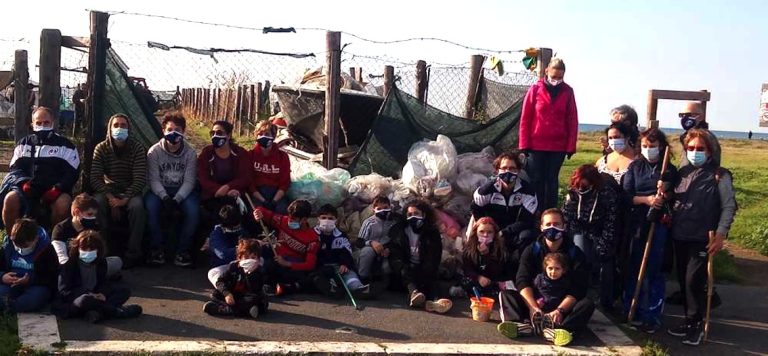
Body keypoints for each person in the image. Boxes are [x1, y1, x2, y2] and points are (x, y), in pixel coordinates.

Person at [667, 128, 737, 346]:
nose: (695, 152)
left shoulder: (719, 175)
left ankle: (696, 324)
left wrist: (721, 233)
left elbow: (728, 206)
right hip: (680, 234)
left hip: (703, 237)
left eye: (700, 149)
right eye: (691, 148)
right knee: (682, 279)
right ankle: (689, 321)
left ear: (710, 151)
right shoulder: (682, 173)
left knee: (693, 280)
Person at [497, 209, 594, 345]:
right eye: (548, 224)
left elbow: (579, 287)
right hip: (536, 303)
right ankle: (520, 325)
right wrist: (533, 307)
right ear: (541, 227)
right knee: (506, 295)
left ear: (564, 226)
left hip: (561, 306)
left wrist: (559, 310)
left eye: (556, 224)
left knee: (587, 304)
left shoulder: (575, 253)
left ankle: (560, 330)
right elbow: (522, 280)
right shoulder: (531, 250)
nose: (552, 228)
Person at [621, 128, 679, 333]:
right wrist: (646, 199)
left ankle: (652, 316)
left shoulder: (669, 170)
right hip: (638, 222)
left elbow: (675, 195)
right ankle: (631, 309)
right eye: (645, 146)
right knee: (634, 266)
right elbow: (627, 196)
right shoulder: (635, 167)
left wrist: (665, 193)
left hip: (659, 225)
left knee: (655, 270)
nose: (648, 149)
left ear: (661, 147)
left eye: (652, 146)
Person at [1, 107, 80, 234]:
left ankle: (53, 241)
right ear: (32, 124)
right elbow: (15, 170)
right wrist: (23, 183)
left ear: (53, 122)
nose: (42, 125)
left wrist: (58, 189)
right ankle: (13, 241)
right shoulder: (23, 144)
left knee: (63, 204)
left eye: (46, 122)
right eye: (38, 123)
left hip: (55, 191)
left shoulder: (66, 146)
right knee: (10, 199)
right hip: (26, 189)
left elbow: (72, 173)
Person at [519, 58, 578, 210]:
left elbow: (572, 120)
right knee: (536, 179)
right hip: (536, 144)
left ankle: (551, 212)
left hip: (558, 146)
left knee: (551, 180)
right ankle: (534, 211)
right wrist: (524, 144)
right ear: (546, 71)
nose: (556, 80)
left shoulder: (568, 91)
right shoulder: (535, 89)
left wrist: (571, 146)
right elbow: (526, 118)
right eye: (554, 77)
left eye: (560, 77)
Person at [90, 114, 147, 266]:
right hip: (108, 190)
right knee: (96, 203)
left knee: (137, 207)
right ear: (110, 128)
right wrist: (111, 198)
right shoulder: (101, 148)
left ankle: (133, 253)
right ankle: (103, 250)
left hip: (130, 190)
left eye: (123, 125)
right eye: (116, 125)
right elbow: (95, 178)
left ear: (129, 128)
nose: (119, 128)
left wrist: (124, 200)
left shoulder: (137, 148)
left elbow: (140, 179)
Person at [145, 112, 199, 267]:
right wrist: (165, 197)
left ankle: (183, 251)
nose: (173, 133)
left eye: (178, 129)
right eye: (169, 129)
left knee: (193, 211)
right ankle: (157, 250)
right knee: (150, 207)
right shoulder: (154, 152)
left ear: (183, 131)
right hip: (159, 190)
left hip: (183, 190)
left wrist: (177, 199)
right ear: (163, 131)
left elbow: (190, 181)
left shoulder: (190, 153)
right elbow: (153, 179)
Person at [562, 164, 619, 311]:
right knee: (581, 254)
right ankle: (580, 295)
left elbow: (611, 221)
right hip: (580, 230)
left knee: (605, 260)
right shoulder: (572, 193)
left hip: (601, 231)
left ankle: (607, 301)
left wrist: (603, 243)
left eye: (584, 185)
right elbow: (568, 218)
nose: (580, 188)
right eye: (577, 185)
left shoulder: (607, 194)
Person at [54, 231, 142, 323]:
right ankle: (116, 311)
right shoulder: (69, 265)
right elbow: (64, 291)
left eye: (91, 249)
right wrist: (89, 293)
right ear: (77, 248)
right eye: (84, 249)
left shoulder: (101, 263)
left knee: (124, 290)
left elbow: (104, 282)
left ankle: (96, 312)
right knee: (84, 300)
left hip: (96, 296)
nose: (88, 252)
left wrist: (103, 293)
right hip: (76, 300)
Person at [388, 200, 452, 314]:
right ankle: (414, 294)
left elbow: (434, 257)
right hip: (406, 268)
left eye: (416, 214)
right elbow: (395, 255)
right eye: (410, 215)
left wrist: (425, 270)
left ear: (424, 215)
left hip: (423, 267)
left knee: (431, 280)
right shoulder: (400, 231)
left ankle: (435, 302)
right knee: (407, 275)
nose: (413, 217)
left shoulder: (432, 232)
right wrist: (402, 267)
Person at [471, 152, 538, 258]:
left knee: (527, 236)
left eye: (512, 168)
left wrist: (503, 233)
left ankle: (516, 266)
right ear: (497, 171)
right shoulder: (486, 190)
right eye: (504, 168)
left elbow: (526, 220)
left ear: (519, 170)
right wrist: (488, 229)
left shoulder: (528, 191)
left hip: (514, 230)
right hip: (490, 228)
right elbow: (476, 209)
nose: (508, 172)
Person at [252, 199, 318, 295]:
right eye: (289, 217)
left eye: (294, 219)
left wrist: (287, 264)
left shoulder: (313, 238)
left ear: (304, 219)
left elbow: (309, 264)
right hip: (276, 257)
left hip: (292, 264)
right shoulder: (283, 220)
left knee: (300, 276)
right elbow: (261, 210)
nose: (290, 221)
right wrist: (257, 214)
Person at [197, 120, 252, 230]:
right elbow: (202, 178)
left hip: (236, 193)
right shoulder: (207, 153)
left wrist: (229, 187)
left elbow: (245, 177)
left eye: (220, 133)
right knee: (217, 211)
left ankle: (242, 239)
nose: (215, 136)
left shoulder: (240, 153)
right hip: (213, 194)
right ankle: (214, 238)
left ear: (229, 135)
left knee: (242, 211)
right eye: (213, 133)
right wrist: (219, 190)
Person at [52, 193, 123, 277]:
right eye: (89, 214)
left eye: (94, 215)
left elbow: (100, 253)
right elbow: (61, 257)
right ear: (77, 212)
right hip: (69, 268)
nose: (93, 218)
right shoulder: (60, 229)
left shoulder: (94, 227)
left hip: (90, 265)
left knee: (117, 262)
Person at [0, 218, 58, 313]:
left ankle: (11, 306)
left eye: (25, 246)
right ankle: (9, 305)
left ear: (35, 239)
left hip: (36, 285)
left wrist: (30, 280)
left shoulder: (47, 249)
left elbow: (52, 277)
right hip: (9, 284)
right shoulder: (8, 245)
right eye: (17, 245)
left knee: (35, 298)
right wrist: (2, 277)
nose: (20, 249)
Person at [312, 204, 369, 297]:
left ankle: (358, 289)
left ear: (336, 220)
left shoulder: (341, 235)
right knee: (319, 277)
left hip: (338, 266)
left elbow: (346, 252)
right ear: (318, 219)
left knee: (349, 274)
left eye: (330, 218)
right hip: (320, 267)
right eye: (324, 217)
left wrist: (345, 264)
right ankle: (332, 289)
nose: (327, 221)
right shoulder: (312, 234)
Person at [203, 239, 268, 318]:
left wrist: (250, 274)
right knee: (215, 294)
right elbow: (220, 281)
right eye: (246, 257)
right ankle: (245, 311)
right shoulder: (234, 266)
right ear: (239, 258)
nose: (250, 260)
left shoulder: (259, 271)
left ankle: (227, 310)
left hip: (249, 297)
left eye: (253, 257)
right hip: (236, 295)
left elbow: (255, 290)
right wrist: (227, 294)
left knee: (252, 300)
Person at [461, 217, 516, 297]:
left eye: (489, 232)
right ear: (476, 232)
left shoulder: (499, 249)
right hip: (476, 279)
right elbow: (467, 269)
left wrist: (486, 255)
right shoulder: (469, 249)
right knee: (465, 281)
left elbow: (497, 270)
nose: (485, 235)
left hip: (492, 280)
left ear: (494, 234)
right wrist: (478, 277)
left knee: (500, 287)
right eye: (481, 232)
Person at [355, 196, 399, 284]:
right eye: (379, 208)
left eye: (385, 208)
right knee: (367, 252)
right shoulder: (369, 222)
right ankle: (363, 279)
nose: (383, 210)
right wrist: (371, 243)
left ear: (390, 207)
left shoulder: (394, 222)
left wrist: (388, 248)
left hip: (386, 249)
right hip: (370, 248)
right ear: (374, 209)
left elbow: (395, 240)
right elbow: (359, 242)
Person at [250, 121, 290, 214]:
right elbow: (249, 182)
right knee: (255, 213)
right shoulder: (250, 155)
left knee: (282, 211)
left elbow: (285, 182)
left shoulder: (282, 156)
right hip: (257, 194)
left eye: (267, 134)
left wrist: (274, 201)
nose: (263, 136)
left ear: (273, 136)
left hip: (276, 194)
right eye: (260, 134)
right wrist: (262, 200)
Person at [207, 204, 251, 287]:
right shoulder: (216, 234)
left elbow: (247, 240)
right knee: (213, 273)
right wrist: (244, 248)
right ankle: (224, 290)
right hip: (223, 266)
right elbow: (223, 254)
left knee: (260, 261)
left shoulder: (241, 229)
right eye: (234, 227)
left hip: (241, 264)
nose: (237, 228)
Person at [677, 102, 721, 167]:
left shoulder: (707, 137)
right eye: (682, 115)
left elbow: (713, 165)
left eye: (688, 114)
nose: (684, 118)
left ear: (700, 117)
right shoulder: (686, 136)